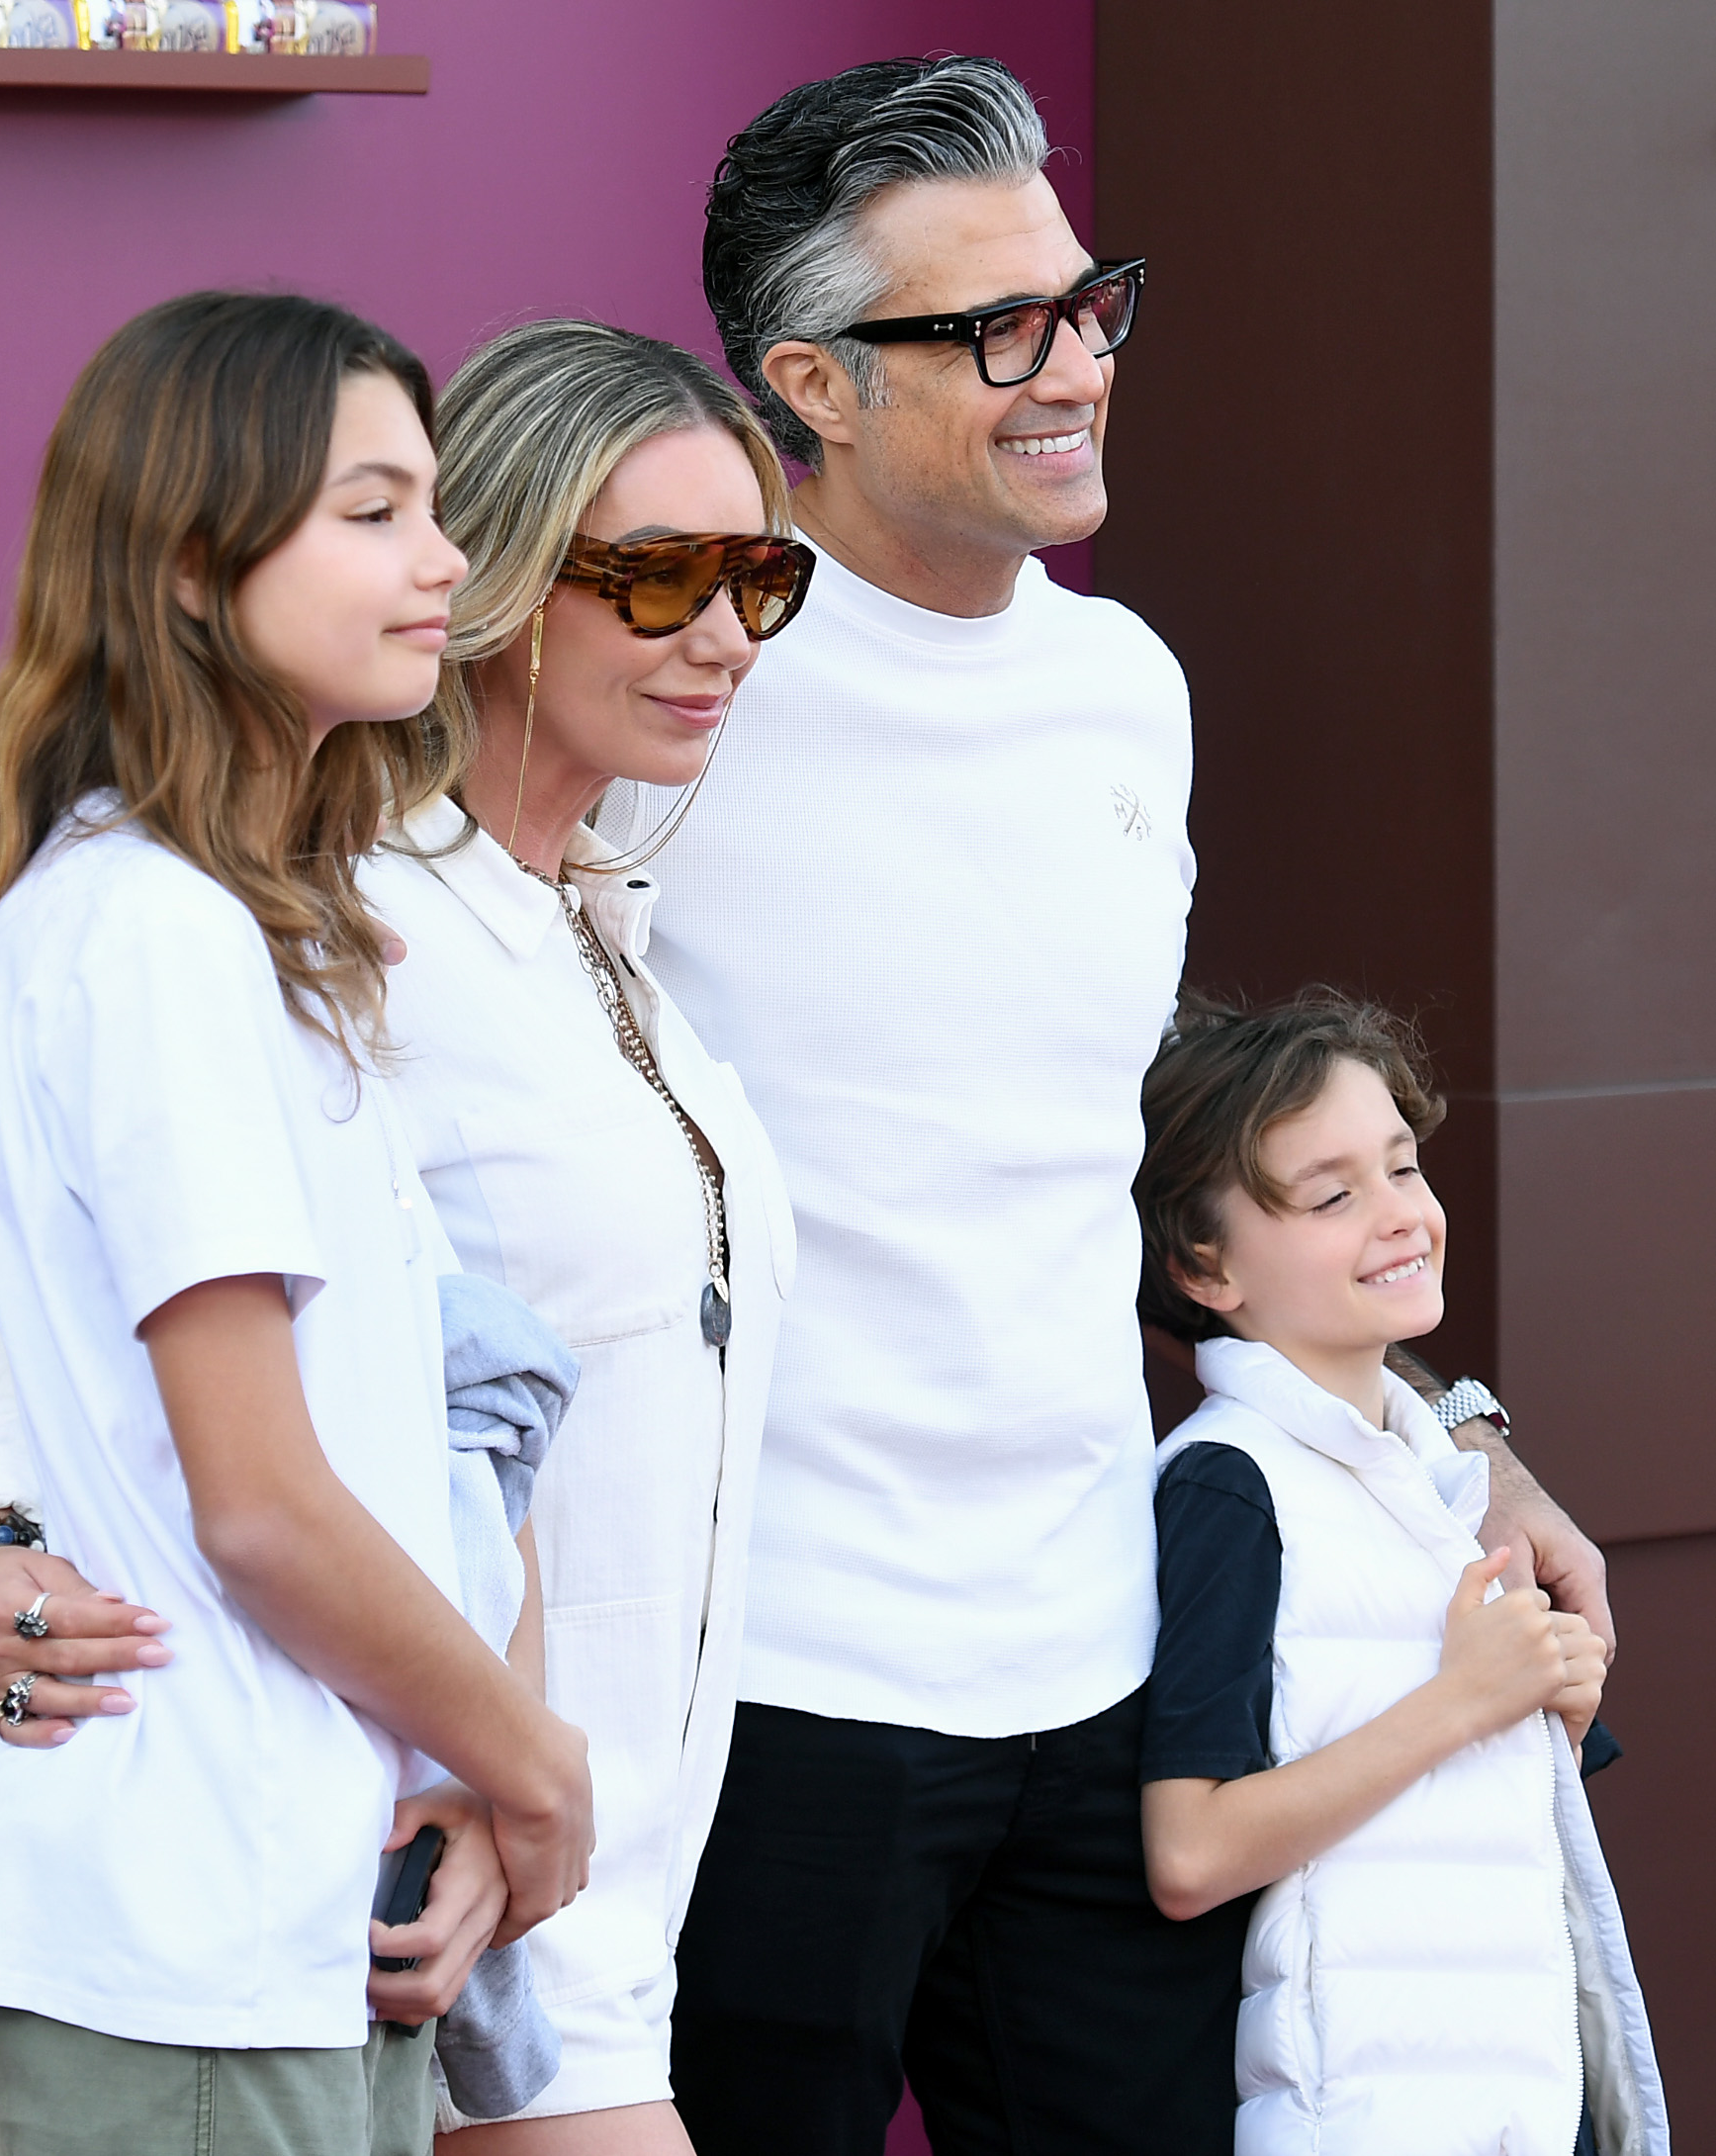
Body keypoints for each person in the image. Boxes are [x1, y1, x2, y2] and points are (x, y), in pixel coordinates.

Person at [595, 54, 1620, 2156]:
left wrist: (1449, 1434)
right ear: (812, 381)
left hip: (1102, 1673)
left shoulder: (1121, 684)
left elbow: (1138, 1164)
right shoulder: (681, 692)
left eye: (1085, 303)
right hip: (768, 1682)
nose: (1068, 366)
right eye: (990, 329)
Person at [0, 318, 805, 2155]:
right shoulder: (253, 926)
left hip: (460, 1880)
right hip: (339, 1870)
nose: (718, 628)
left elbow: (463, 1400)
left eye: (756, 574)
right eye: (656, 573)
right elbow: (177, 1436)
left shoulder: (553, 934)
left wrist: (514, 1769)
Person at [1131, 992, 1666, 2155]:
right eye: (1330, 1195)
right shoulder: (1227, 1486)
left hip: (1523, 2093)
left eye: (1402, 1167)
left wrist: (1545, 1715)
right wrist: (1465, 1700)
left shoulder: (1429, 1471)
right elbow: (1189, 1850)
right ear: (1203, 1265)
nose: (1398, 1216)